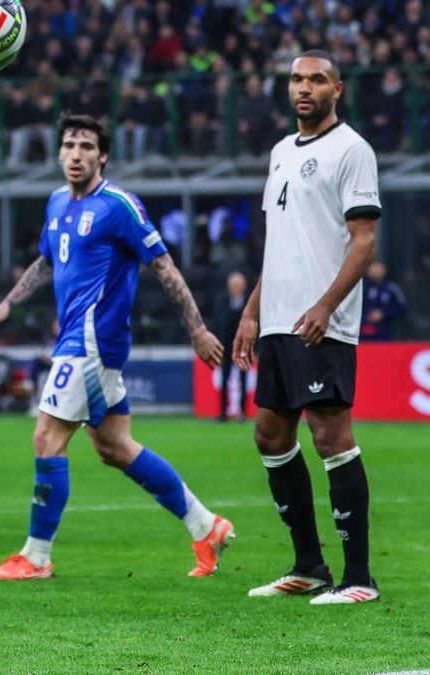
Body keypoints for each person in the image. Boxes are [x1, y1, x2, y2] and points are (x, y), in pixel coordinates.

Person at [0, 113, 233, 582]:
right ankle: (205, 525)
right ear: (58, 153)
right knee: (115, 446)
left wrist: (196, 328)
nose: (76, 154)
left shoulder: (119, 205)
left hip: (93, 341)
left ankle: (35, 557)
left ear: (103, 155)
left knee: (46, 437)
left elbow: (165, 267)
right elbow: (47, 260)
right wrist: (9, 304)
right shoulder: (56, 203)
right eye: (70, 145)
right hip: (76, 339)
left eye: (87, 147)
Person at [233, 50, 383, 605]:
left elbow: (364, 241)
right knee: (271, 436)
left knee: (329, 436)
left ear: (337, 89)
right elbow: (280, 246)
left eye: (317, 80)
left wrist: (325, 305)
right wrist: (251, 313)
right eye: (297, 78)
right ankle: (309, 565)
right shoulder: (279, 152)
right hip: (277, 319)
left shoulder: (352, 150)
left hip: (323, 323)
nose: (305, 88)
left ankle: (360, 577)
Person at [213, 271, 250, 421]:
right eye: (233, 285)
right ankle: (223, 412)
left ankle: (242, 412)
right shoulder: (221, 301)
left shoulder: (249, 303)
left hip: (244, 348)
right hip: (226, 348)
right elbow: (217, 324)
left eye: (238, 285)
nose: (235, 288)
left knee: (243, 379)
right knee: (224, 379)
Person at [360, 261, 405, 341]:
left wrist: (383, 314)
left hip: (384, 331)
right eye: (373, 267)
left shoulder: (391, 288)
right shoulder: (362, 287)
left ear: (385, 270)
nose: (376, 270)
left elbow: (402, 308)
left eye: (379, 267)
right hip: (363, 331)